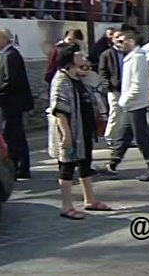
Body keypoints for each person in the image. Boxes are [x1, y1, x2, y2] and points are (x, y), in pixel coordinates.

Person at [49, 44, 111, 220]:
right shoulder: (61, 80)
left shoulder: (78, 77)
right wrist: (66, 135)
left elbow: (97, 87)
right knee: (67, 167)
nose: (83, 57)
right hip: (71, 130)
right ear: (68, 59)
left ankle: (89, 199)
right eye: (78, 55)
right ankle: (66, 206)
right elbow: (60, 110)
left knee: (85, 164)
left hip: (83, 129)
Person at [103, 31, 149, 181]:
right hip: (131, 103)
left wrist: (124, 101)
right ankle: (112, 163)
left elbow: (137, 84)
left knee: (142, 138)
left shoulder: (137, 58)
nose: (119, 44)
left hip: (135, 103)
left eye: (122, 41)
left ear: (131, 41)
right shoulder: (132, 57)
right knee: (123, 135)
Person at [0, 27, 34, 179]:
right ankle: (18, 166)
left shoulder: (11, 56)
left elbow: (10, 81)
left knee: (13, 136)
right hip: (10, 103)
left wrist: (0, 96)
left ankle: (20, 168)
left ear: (5, 39)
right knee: (14, 135)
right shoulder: (6, 55)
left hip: (12, 103)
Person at [98, 28, 125, 147]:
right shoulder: (107, 54)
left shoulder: (129, 53)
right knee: (115, 112)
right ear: (112, 40)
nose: (120, 40)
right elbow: (102, 70)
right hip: (114, 88)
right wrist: (107, 84)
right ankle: (110, 136)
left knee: (126, 114)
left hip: (127, 88)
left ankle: (123, 136)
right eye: (117, 38)